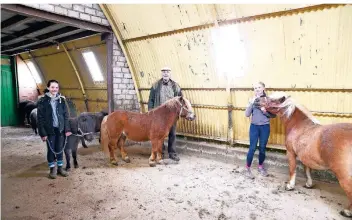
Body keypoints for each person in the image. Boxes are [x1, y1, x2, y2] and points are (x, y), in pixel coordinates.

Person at [37, 80, 72, 179]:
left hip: (60, 129)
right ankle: (52, 169)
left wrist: (67, 129)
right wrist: (43, 133)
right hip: (49, 131)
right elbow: (40, 118)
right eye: (52, 87)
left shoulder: (61, 100)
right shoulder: (42, 101)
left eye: (56, 87)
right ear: (48, 88)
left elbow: (66, 116)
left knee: (60, 149)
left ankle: (60, 168)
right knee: (51, 150)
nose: (54, 89)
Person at [148, 66, 183, 161]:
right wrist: (150, 112)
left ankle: (172, 153)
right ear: (161, 73)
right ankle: (160, 152)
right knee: (159, 134)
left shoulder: (176, 86)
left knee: (172, 133)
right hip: (159, 116)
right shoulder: (155, 86)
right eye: (163, 72)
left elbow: (180, 100)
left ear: (170, 73)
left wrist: (178, 113)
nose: (165, 73)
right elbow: (151, 100)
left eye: (167, 72)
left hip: (171, 115)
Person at [244, 81, 276, 178]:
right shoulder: (252, 99)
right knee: (252, 148)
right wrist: (251, 103)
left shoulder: (268, 100)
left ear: (263, 88)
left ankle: (260, 167)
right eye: (255, 88)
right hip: (254, 127)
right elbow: (247, 114)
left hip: (265, 127)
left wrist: (265, 111)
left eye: (259, 87)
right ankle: (247, 168)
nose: (257, 89)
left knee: (262, 148)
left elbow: (273, 115)